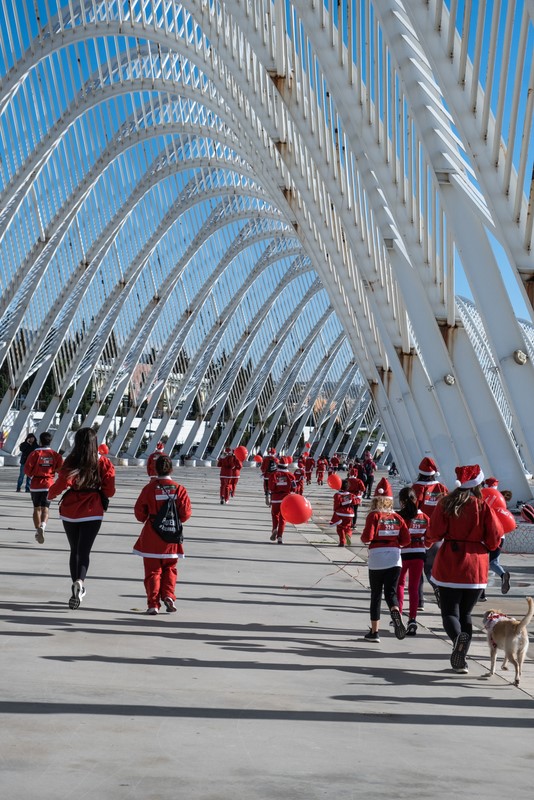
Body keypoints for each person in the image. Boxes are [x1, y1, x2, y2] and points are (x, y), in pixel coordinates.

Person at [425, 464, 503, 674]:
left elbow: (434, 532)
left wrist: (428, 541)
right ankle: (462, 658)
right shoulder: (482, 506)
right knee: (466, 614)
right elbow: (494, 538)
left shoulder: (445, 503)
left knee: (449, 612)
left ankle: (458, 643)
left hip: (450, 562)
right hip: (475, 565)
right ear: (477, 484)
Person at [48, 428, 115, 609]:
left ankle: (75, 584)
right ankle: (80, 581)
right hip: (93, 510)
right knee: (84, 551)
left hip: (70, 510)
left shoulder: (71, 461)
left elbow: (62, 483)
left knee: (74, 550)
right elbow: (110, 490)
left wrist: (50, 495)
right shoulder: (104, 462)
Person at [133, 455, 192, 614]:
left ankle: (153, 604)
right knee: (170, 568)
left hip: (152, 535)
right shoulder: (179, 489)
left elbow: (139, 513)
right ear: (171, 469)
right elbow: (185, 514)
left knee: (152, 571)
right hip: (171, 536)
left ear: (155, 469)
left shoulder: (149, 488)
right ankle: (169, 595)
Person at [360, 477, 410, 642]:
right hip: (395, 558)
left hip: (377, 558)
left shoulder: (374, 515)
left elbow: (367, 537)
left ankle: (374, 632)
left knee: (376, 595)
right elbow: (406, 540)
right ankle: (396, 612)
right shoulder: (397, 517)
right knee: (391, 592)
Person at [412, 457, 448, 609]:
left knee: (416, 570)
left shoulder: (415, 488)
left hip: (417, 534)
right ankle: (438, 590)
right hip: (437, 536)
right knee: (431, 569)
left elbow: (411, 510)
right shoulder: (441, 488)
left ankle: (419, 601)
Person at [396, 487, 430, 635]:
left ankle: (398, 614)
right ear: (416, 499)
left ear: (401, 501)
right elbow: (430, 537)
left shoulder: (398, 516)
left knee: (400, 584)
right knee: (414, 588)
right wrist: (425, 546)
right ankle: (412, 619)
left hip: (402, 553)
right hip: (419, 553)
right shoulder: (424, 517)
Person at [24, 431, 63, 544]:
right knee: (45, 508)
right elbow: (61, 469)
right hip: (48, 484)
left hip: (36, 484)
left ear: (40, 441)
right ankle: (43, 526)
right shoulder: (55, 455)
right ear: (50, 441)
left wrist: (33, 475)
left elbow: (27, 469)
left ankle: (37, 530)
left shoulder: (34, 454)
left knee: (36, 508)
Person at [267, 460, 296, 544]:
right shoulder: (290, 475)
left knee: (275, 515)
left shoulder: (274, 475)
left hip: (275, 498)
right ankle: (280, 536)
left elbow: (271, 487)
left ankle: (274, 529)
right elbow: (294, 488)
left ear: (278, 465)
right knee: (283, 518)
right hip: (286, 499)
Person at [330, 479, 358, 546]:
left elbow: (336, 504)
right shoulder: (351, 495)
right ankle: (348, 535)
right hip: (349, 513)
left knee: (340, 528)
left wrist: (335, 510)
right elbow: (355, 502)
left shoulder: (337, 495)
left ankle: (342, 541)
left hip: (340, 513)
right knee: (348, 526)